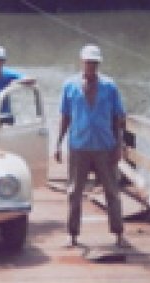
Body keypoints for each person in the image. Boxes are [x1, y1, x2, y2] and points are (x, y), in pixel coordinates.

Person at [54, 44, 127, 248]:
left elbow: (117, 118)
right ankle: (73, 234)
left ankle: (119, 233)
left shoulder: (110, 86)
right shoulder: (70, 86)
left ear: (99, 64)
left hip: (105, 145)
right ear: (82, 62)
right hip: (79, 146)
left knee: (112, 191)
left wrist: (118, 145)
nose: (91, 67)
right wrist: (58, 143)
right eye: (88, 63)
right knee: (74, 192)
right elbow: (65, 116)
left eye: (94, 63)